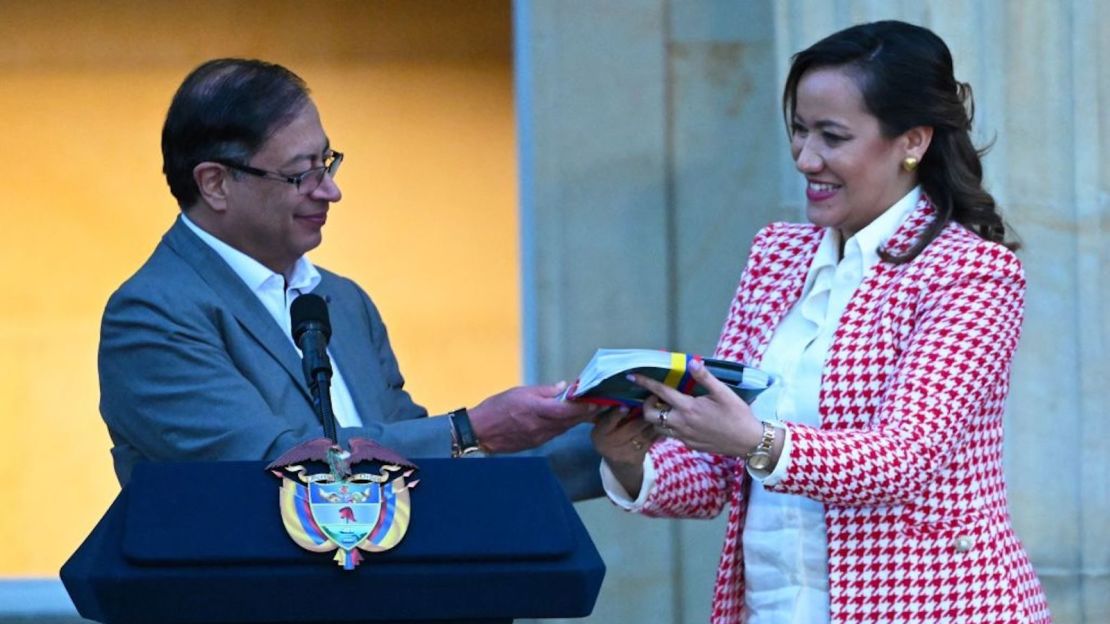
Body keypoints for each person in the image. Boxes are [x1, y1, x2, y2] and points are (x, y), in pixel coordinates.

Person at [592, 20, 1051, 623]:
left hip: (937, 605)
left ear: (912, 140)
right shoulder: (776, 255)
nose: (807, 158)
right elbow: (723, 474)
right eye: (800, 130)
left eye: (832, 136)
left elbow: (907, 458)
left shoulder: (971, 271)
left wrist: (756, 441)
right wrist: (632, 456)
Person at [98, 58, 602, 501]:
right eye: (301, 174)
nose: (330, 191)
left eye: (328, 162)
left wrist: (607, 447)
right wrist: (470, 429)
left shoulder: (340, 301)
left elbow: (425, 473)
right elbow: (272, 467)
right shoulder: (152, 314)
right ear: (215, 183)